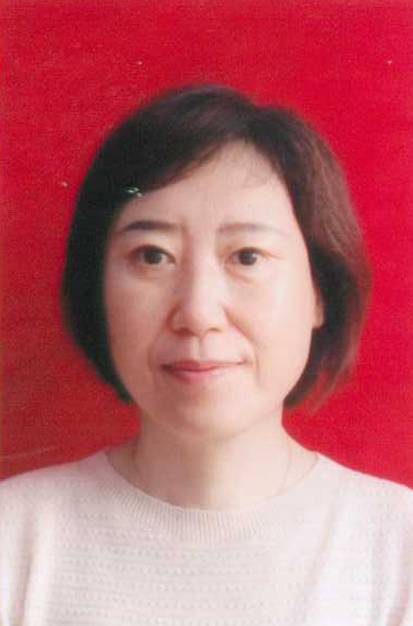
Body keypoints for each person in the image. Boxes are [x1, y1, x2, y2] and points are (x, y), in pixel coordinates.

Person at [1, 83, 412, 626]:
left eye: (247, 256)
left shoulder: (396, 551)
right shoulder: (16, 541)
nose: (197, 312)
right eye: (153, 256)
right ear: (95, 288)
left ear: (319, 292)